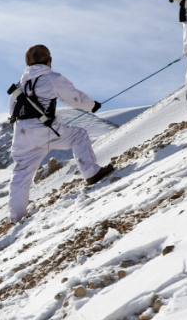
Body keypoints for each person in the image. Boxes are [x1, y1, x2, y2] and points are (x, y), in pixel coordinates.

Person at [8, 45, 115, 224]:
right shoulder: (50, 77)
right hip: (43, 129)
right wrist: (92, 106)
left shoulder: (18, 86)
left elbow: (12, 113)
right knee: (78, 135)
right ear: (48, 61)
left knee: (21, 174)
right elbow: (72, 97)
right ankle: (91, 172)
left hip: (21, 135)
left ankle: (15, 217)